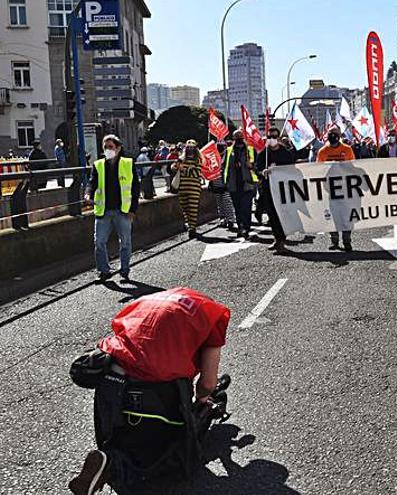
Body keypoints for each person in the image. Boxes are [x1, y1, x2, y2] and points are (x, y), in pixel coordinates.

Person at [67, 287, 231, 495]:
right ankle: (114, 466)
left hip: (111, 380)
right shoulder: (212, 315)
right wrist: (202, 400)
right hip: (157, 391)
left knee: (123, 432)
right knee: (168, 453)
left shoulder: (149, 300)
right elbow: (207, 383)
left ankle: (108, 456)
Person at [84, 135, 139, 281]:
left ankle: (124, 269)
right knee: (99, 241)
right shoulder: (98, 165)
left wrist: (133, 209)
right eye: (105, 147)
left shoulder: (128, 163)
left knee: (125, 242)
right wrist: (87, 195)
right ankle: (104, 271)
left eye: (111, 147)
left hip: (123, 210)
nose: (108, 150)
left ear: (118, 148)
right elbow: (92, 183)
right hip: (103, 210)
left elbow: (135, 188)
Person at [256, 127, 295, 252]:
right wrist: (262, 172)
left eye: (274, 137)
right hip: (268, 190)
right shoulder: (263, 154)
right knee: (272, 215)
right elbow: (257, 170)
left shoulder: (286, 153)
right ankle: (277, 239)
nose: (271, 139)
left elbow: (292, 169)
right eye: (269, 137)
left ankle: (281, 239)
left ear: (278, 138)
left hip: (284, 190)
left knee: (282, 215)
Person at [317, 127, 357, 251]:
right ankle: (334, 240)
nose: (332, 136)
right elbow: (318, 170)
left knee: (346, 215)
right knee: (333, 215)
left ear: (339, 136)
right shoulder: (323, 151)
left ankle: (346, 241)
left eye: (335, 134)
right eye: (330, 134)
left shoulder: (347, 149)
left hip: (345, 189)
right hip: (330, 189)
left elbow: (352, 166)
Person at [224, 130, 257, 240]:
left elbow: (257, 165)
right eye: (236, 136)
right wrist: (226, 182)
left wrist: (251, 165)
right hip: (234, 184)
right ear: (233, 138)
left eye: (240, 136)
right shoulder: (229, 150)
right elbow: (224, 166)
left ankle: (246, 228)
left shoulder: (250, 150)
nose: (238, 138)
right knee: (237, 208)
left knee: (246, 208)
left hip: (247, 184)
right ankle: (240, 227)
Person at [171, 140, 203, 239]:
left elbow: (197, 173)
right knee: (185, 208)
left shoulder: (198, 159)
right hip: (182, 188)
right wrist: (176, 166)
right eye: (188, 147)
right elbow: (172, 167)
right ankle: (189, 225)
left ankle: (192, 228)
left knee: (193, 209)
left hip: (194, 188)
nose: (190, 149)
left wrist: (184, 169)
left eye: (192, 147)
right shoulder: (181, 158)